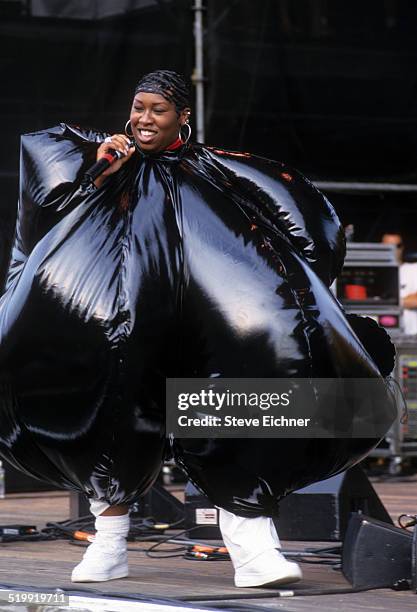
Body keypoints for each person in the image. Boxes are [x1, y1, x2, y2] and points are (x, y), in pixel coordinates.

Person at [0, 71, 395, 587]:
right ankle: (109, 542)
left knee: (234, 405)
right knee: (107, 408)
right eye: (138, 107)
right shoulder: (107, 166)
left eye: (157, 110)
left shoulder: (211, 173)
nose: (144, 118)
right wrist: (100, 170)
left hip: (205, 323)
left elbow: (300, 226)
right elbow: (43, 212)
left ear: (182, 116)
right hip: (118, 321)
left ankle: (253, 550)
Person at [382, 232, 417, 335]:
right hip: (381, 337)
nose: (393, 249)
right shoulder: (372, 272)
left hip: (411, 337)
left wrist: (386, 302)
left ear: (402, 248)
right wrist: (406, 300)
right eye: (388, 246)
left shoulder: (414, 269)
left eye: (397, 245)